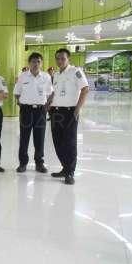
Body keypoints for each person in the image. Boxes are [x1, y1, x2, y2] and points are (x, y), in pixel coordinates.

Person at [47, 48, 89, 185]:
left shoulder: (75, 71)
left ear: (68, 59)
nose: (60, 61)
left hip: (70, 112)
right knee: (58, 142)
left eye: (62, 58)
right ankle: (65, 168)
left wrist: (77, 108)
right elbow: (55, 92)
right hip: (55, 112)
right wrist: (49, 104)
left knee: (69, 143)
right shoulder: (57, 74)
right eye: (57, 58)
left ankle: (70, 172)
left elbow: (85, 88)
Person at [14, 52, 53, 173]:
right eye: (33, 62)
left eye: (38, 62)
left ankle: (39, 163)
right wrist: (23, 105)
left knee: (39, 138)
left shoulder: (46, 77)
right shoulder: (22, 76)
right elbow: (17, 93)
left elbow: (50, 93)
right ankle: (23, 163)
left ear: (41, 63)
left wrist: (46, 107)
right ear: (29, 63)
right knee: (24, 138)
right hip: (26, 110)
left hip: (41, 111)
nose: (36, 64)